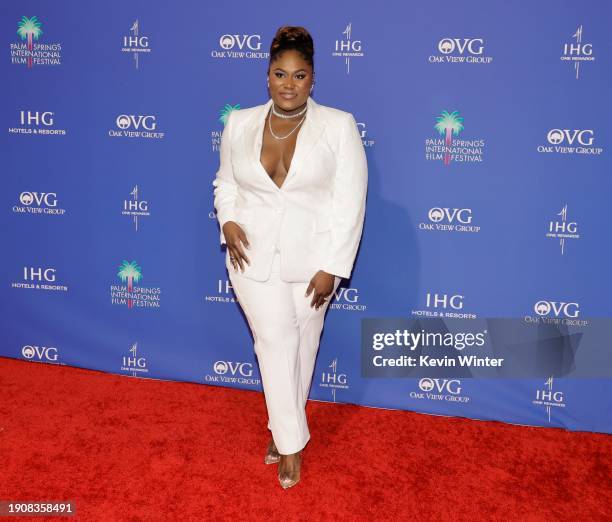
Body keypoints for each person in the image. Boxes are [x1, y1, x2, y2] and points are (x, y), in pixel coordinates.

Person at [212, 25, 368, 489]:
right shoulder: (238, 122)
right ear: (267, 76)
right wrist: (228, 220)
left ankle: (283, 428)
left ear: (313, 80)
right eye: (279, 73)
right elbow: (226, 183)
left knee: (303, 344)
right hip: (251, 256)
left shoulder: (338, 126)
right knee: (276, 341)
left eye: (299, 76)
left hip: (315, 260)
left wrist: (333, 268)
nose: (288, 84)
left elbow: (350, 201)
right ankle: (291, 444)